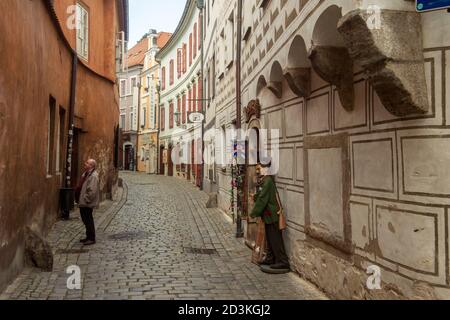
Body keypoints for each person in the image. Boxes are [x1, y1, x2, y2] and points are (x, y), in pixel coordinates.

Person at [250, 157, 290, 274]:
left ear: (266, 169)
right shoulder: (265, 180)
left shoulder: (267, 181)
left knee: (275, 239)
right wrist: (255, 197)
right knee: (270, 239)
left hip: (273, 216)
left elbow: (263, 199)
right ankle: (270, 258)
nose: (259, 170)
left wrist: (253, 213)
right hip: (268, 216)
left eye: (260, 168)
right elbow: (262, 195)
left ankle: (283, 261)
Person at [75, 159, 100, 246]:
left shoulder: (93, 176)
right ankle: (88, 236)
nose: (85, 164)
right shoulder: (86, 173)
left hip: (86, 202)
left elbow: (92, 191)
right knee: (85, 219)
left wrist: (86, 199)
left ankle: (91, 238)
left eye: (87, 163)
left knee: (88, 219)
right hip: (83, 201)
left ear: (92, 166)